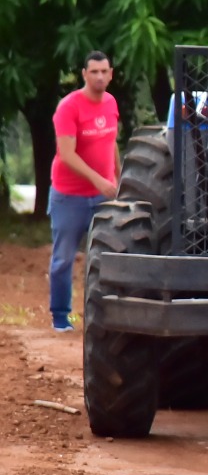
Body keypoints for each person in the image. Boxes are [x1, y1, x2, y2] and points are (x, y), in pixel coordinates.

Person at [48, 51, 120, 333]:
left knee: (106, 256)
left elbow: (111, 140)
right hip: (70, 196)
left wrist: (118, 175)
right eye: (94, 72)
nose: (100, 76)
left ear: (111, 74)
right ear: (84, 74)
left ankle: (102, 318)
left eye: (104, 71)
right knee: (64, 258)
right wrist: (99, 180)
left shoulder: (111, 102)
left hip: (103, 195)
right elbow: (66, 154)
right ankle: (60, 318)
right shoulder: (69, 107)